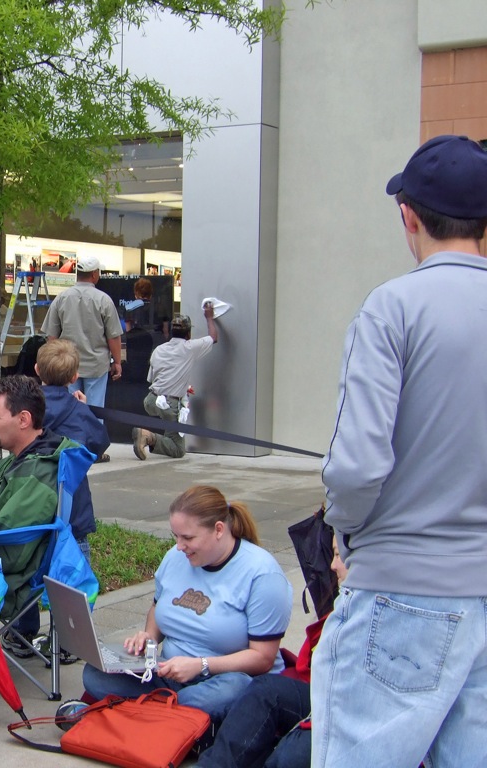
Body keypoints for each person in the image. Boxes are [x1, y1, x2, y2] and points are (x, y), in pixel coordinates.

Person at [313, 134, 487, 768]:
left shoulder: (393, 308)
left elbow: (357, 467)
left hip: (402, 589)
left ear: (408, 216)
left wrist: (343, 531)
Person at [82, 485, 292, 723]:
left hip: (224, 677)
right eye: (176, 536)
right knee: (95, 673)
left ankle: (153, 713)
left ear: (219, 530)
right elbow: (157, 608)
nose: (179, 546)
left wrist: (201, 665)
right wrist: (148, 637)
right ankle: (172, 715)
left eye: (188, 538)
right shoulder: (176, 557)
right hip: (168, 672)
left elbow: (263, 658)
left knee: (234, 688)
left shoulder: (262, 574)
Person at [195, 539, 348, 768]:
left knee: (290, 754)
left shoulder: (263, 574)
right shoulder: (347, 598)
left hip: (351, 702)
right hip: (320, 690)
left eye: (338, 556)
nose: (333, 565)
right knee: (265, 690)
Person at [0, 375, 78, 656]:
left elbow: (11, 551)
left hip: (1, 575)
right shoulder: (19, 462)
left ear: (23, 419)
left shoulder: (37, 473)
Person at [36, 339, 110, 550]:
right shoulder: (79, 412)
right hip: (72, 508)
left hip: (32, 502)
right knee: (75, 578)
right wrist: (83, 410)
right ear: (74, 377)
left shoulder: (25, 409)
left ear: (37, 369)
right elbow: (98, 444)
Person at [133, 303, 218, 460]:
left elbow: (152, 379)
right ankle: (147, 436)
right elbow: (213, 338)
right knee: (178, 450)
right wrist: (209, 318)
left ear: (170, 332)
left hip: (151, 401)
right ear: (188, 334)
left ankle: (149, 436)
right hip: (170, 405)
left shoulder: (159, 349)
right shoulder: (189, 348)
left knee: (169, 426)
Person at [41, 254, 123, 408]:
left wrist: (50, 363)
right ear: (94, 274)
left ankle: (70, 433)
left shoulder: (61, 298)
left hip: (67, 364)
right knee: (95, 409)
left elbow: (51, 337)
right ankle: (91, 432)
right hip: (96, 365)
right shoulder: (104, 300)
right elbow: (113, 337)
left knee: (69, 407)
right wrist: (117, 362)